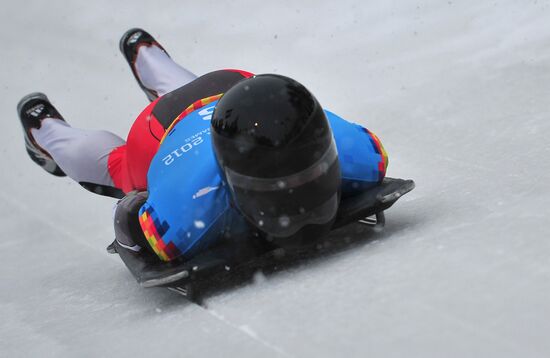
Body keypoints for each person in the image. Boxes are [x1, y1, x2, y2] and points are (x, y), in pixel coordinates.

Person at [17, 28, 389, 263]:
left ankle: (146, 54)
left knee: (190, 94)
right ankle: (47, 132)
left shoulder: (359, 152)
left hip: (233, 87)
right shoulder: (187, 210)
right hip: (159, 131)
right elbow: (132, 218)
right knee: (119, 166)